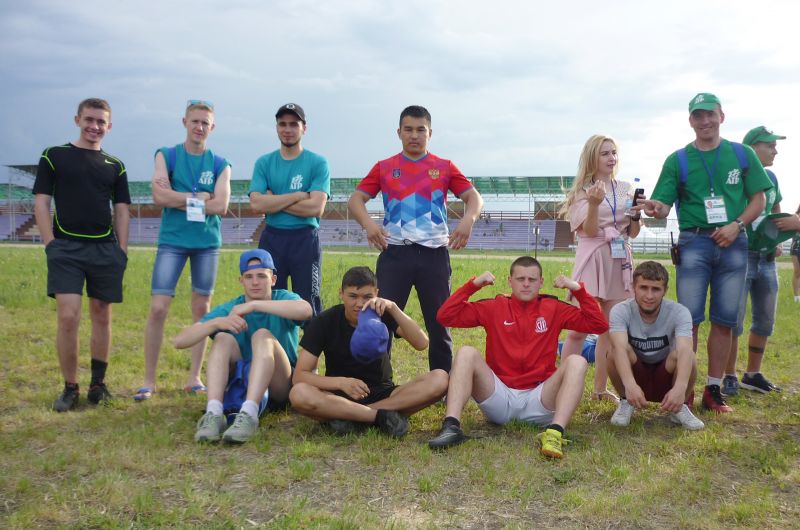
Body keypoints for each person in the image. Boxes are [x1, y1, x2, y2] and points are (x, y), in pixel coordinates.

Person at [637, 93, 772, 414]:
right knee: (689, 320)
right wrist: (655, 208)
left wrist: (737, 225)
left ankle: (713, 390)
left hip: (732, 241)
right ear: (690, 121)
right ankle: (684, 390)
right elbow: (662, 205)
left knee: (725, 320)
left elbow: (759, 200)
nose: (705, 121)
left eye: (710, 114)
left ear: (721, 116)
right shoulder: (678, 160)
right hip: (694, 242)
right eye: (698, 116)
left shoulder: (741, 154)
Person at [428, 256, 609, 459]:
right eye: (520, 279)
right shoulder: (494, 306)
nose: (526, 284)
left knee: (578, 361)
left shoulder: (554, 308)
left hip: (540, 399)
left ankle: (555, 432)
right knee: (466, 353)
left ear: (541, 282)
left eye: (532, 279)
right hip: (500, 398)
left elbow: (599, 324)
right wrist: (473, 285)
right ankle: (451, 427)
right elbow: (445, 316)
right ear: (510, 281)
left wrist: (577, 289)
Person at [348, 105, 484, 372]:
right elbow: (356, 200)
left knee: (440, 322)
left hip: (434, 255)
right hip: (395, 254)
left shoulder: (444, 167)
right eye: (408, 129)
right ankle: (379, 381)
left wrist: (468, 220)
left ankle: (442, 382)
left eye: (420, 130)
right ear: (398, 132)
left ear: (430, 133)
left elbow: (473, 197)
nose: (414, 135)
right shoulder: (385, 167)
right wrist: (369, 225)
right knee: (382, 319)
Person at [33, 98, 130, 411]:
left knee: (101, 314)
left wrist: (122, 250)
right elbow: (42, 202)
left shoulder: (115, 165)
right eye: (89, 119)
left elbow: (122, 210)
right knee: (68, 315)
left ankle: (98, 385)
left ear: (109, 126)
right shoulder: (54, 156)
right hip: (66, 249)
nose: (94, 126)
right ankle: (70, 387)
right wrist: (50, 243)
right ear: (77, 120)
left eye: (101, 122)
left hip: (104, 249)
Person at [135, 100, 232, 401]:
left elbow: (221, 205)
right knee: (158, 308)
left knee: (201, 309)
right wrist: (198, 197)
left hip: (206, 243)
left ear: (212, 127)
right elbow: (158, 197)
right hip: (173, 241)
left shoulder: (220, 164)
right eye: (195, 121)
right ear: (185, 122)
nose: (199, 127)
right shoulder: (167, 155)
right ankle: (149, 380)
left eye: (205, 123)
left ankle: (194, 377)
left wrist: (179, 197)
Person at [289, 266, 448, 437]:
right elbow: (300, 376)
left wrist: (393, 307)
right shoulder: (325, 321)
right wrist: (341, 383)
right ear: (341, 293)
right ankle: (380, 418)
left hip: (385, 395)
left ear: (376, 294)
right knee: (299, 393)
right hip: (339, 396)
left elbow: (422, 343)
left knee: (440, 378)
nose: (359, 304)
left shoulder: (381, 313)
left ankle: (353, 417)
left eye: (367, 297)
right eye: (353, 296)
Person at [175, 249, 312, 444]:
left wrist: (254, 306)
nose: (255, 282)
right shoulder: (232, 307)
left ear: (273, 279)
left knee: (262, 335)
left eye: (261, 276)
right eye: (249, 277)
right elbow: (180, 341)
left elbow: (306, 310)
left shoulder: (283, 297)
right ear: (241, 281)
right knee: (222, 338)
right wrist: (216, 323)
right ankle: (214, 413)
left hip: (280, 387)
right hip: (242, 384)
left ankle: (249, 414)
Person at [558, 135, 641, 403]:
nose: (611, 158)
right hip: (592, 258)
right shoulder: (583, 191)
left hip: (619, 260)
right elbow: (591, 231)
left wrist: (637, 215)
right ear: (592, 157)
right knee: (578, 329)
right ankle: (561, 386)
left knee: (610, 329)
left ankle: (599, 389)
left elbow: (633, 232)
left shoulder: (626, 188)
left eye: (614, 152)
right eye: (605, 153)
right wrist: (594, 204)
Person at [723, 126, 787, 396]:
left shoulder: (771, 178)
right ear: (752, 148)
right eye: (769, 145)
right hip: (741, 255)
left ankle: (752, 373)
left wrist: (778, 238)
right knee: (732, 320)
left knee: (765, 318)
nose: (775, 151)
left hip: (767, 258)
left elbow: (775, 207)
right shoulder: (736, 176)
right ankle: (729, 375)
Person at [249, 103, 330, 316]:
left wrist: (273, 200)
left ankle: (310, 340)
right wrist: (297, 196)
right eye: (282, 124)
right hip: (272, 239)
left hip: (305, 240)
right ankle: (275, 339)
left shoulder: (317, 163)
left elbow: (316, 207)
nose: (287, 129)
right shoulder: (264, 163)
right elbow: (256, 204)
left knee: (309, 302)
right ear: (276, 127)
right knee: (271, 301)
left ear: (304, 128)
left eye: (294, 124)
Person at [607, 261, 704, 430]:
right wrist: (629, 385)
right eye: (643, 288)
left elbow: (685, 349)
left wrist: (680, 388)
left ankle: (679, 406)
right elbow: (619, 348)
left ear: (665, 290)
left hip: (665, 374)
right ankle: (626, 401)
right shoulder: (620, 310)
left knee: (687, 355)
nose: (649, 295)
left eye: (656, 289)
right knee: (613, 351)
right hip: (636, 373)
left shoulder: (679, 312)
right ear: (633, 287)